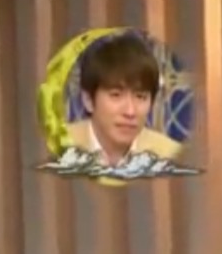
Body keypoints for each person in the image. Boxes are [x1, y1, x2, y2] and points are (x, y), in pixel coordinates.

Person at [64, 33, 181, 167]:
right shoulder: (59, 147)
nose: (130, 112)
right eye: (116, 95)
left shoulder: (171, 157)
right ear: (88, 100)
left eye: (140, 97)